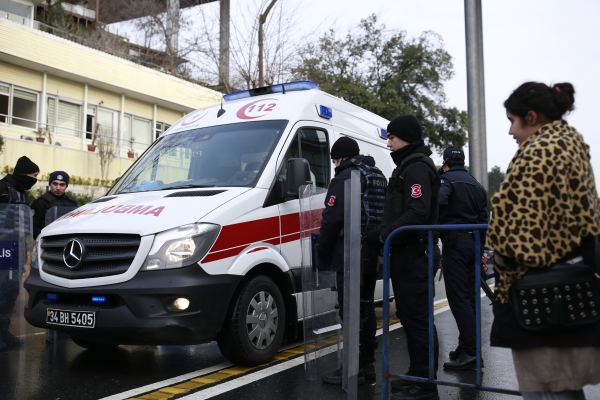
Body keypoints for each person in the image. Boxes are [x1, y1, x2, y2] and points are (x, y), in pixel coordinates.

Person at [488, 82, 600, 400]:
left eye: (513, 120)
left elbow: (521, 237)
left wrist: (499, 255)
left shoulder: (539, 153)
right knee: (564, 386)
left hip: (539, 293)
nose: (510, 130)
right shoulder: (569, 143)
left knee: (547, 387)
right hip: (568, 282)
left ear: (532, 117)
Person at [365, 115, 440, 400]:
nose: (388, 143)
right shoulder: (409, 166)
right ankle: (417, 373)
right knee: (409, 317)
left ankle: (425, 384)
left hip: (414, 253)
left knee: (418, 319)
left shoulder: (417, 168)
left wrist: (385, 235)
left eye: (392, 138)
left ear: (406, 138)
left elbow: (417, 212)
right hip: (406, 254)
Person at [315, 136, 386, 385]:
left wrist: (322, 251)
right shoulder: (377, 175)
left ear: (341, 158)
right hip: (371, 253)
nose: (335, 164)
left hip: (350, 253)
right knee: (366, 309)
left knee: (350, 311)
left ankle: (350, 370)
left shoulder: (345, 176)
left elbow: (332, 218)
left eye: (335, 159)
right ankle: (367, 366)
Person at [437, 146, 488, 370]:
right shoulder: (477, 184)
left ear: (446, 162)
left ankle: (471, 352)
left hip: (455, 245)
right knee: (469, 299)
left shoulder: (446, 180)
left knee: (458, 301)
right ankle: (466, 346)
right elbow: (484, 219)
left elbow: (439, 201)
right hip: (473, 245)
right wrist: (482, 250)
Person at [0, 156, 39, 352]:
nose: (35, 180)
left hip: (16, 249)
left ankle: (3, 333)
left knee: (10, 292)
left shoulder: (22, 193)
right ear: (23, 174)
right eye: (33, 176)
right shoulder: (3, 188)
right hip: (2, 249)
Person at [30, 171, 77, 239]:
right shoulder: (41, 202)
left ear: (66, 186)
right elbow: (33, 226)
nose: (58, 188)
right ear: (50, 184)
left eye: (62, 185)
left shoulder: (72, 203)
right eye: (55, 184)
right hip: (48, 241)